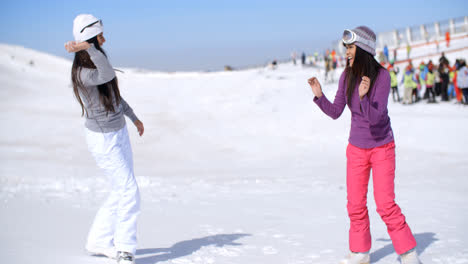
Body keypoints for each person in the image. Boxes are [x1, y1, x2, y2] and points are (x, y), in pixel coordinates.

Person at [307, 26, 421, 264]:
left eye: (350, 47)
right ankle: (360, 252)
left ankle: (408, 254)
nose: (346, 52)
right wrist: (319, 97)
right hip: (357, 149)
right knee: (355, 204)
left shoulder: (382, 76)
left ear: (363, 48)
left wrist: (363, 97)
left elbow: (377, 119)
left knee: (385, 204)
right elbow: (337, 112)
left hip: (382, 147)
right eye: (346, 47)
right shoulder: (346, 77)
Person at [64, 14, 144, 264]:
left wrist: (133, 117)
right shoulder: (82, 73)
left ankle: (98, 241)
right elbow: (107, 76)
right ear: (89, 40)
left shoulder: (98, 61)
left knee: (121, 190)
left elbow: (113, 94)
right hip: (103, 139)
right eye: (99, 36)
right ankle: (124, 248)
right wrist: (88, 47)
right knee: (129, 190)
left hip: (118, 132)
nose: (104, 39)